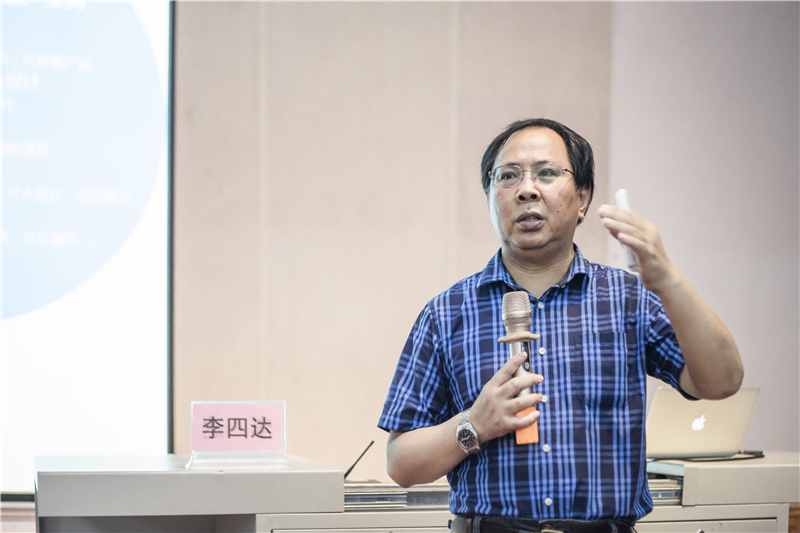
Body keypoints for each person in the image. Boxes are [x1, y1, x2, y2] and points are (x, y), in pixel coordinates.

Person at [378, 118, 743, 533]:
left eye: (547, 173)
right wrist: (474, 424)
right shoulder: (446, 313)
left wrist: (667, 279)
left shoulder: (628, 298)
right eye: (508, 176)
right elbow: (400, 464)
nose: (526, 189)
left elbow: (722, 382)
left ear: (582, 198)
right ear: (490, 199)